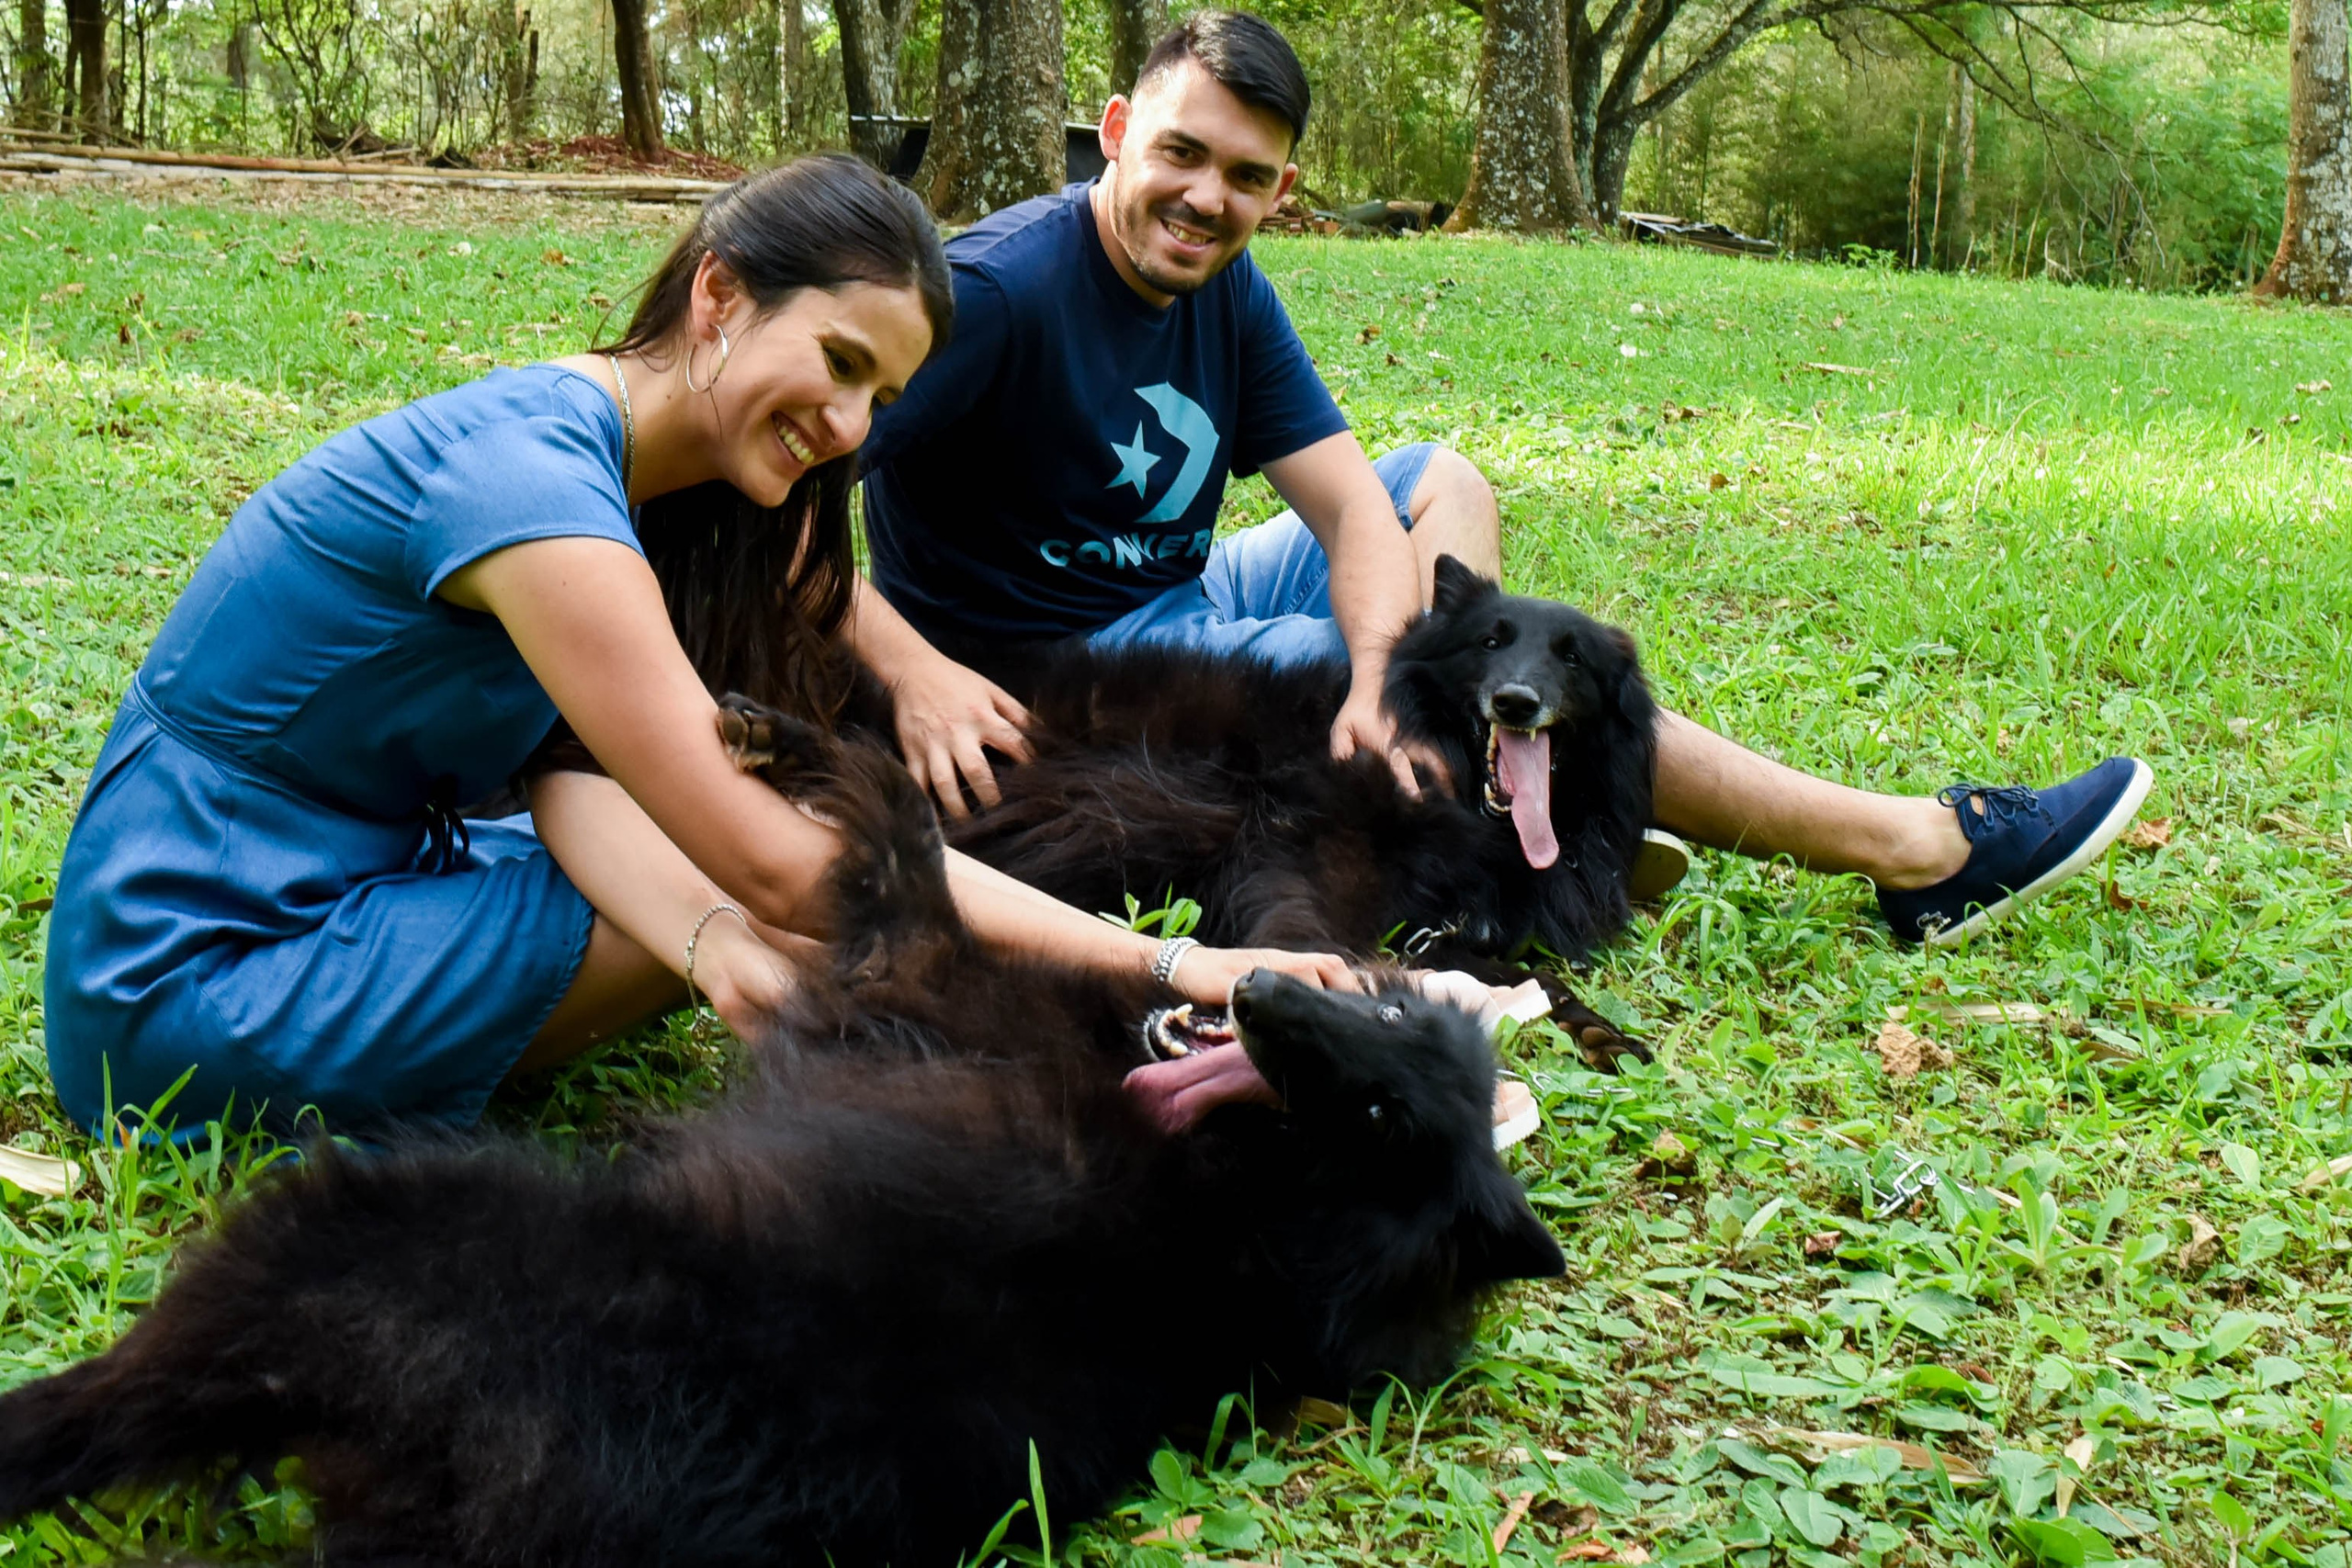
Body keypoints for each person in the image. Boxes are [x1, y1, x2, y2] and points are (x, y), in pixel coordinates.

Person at [42, 154, 1342, 1143]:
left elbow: (565, 774)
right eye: (835, 361)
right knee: (784, 885)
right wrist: (1179, 962)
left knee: (741, 888)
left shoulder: (648, 489)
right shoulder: (534, 490)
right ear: (719, 292)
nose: (845, 426)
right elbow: (782, 867)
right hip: (190, 973)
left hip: (355, 880)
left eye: (880, 400)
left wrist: (713, 940)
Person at [848, 10, 2154, 950]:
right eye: (1181, 155)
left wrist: (1379, 682)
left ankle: (1457, 777)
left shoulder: (1224, 287)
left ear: (1282, 189)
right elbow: (774, 501)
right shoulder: (1002, 294)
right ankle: (1910, 846)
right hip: (1072, 664)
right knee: (1380, 655)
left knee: (1439, 487)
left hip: (1179, 584)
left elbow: (1358, 503)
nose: (1205, 198)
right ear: (1118, 130)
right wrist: (912, 672)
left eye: (1246, 177)